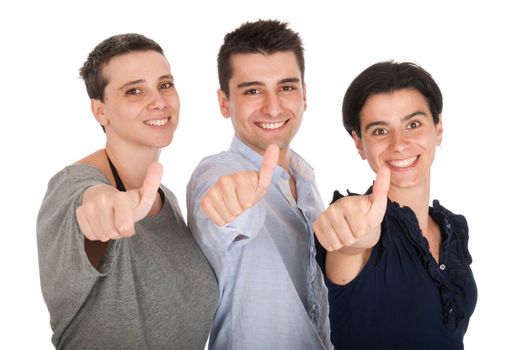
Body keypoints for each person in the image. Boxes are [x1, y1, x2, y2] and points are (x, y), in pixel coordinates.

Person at [37, 33, 218, 349]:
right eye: (134, 90)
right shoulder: (72, 186)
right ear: (100, 112)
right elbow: (89, 203)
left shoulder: (166, 199)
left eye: (165, 84)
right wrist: (100, 209)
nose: (159, 101)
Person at [187, 20, 332, 349]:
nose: (273, 106)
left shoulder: (305, 180)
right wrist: (231, 205)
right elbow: (221, 207)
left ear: (304, 95)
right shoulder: (216, 173)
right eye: (252, 90)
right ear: (225, 103)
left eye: (286, 87)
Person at [313, 61, 477, 349]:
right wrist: (351, 235)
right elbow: (352, 239)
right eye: (379, 131)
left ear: (437, 129)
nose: (399, 143)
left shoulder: (451, 227)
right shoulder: (361, 222)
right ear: (359, 144)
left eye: (413, 124)